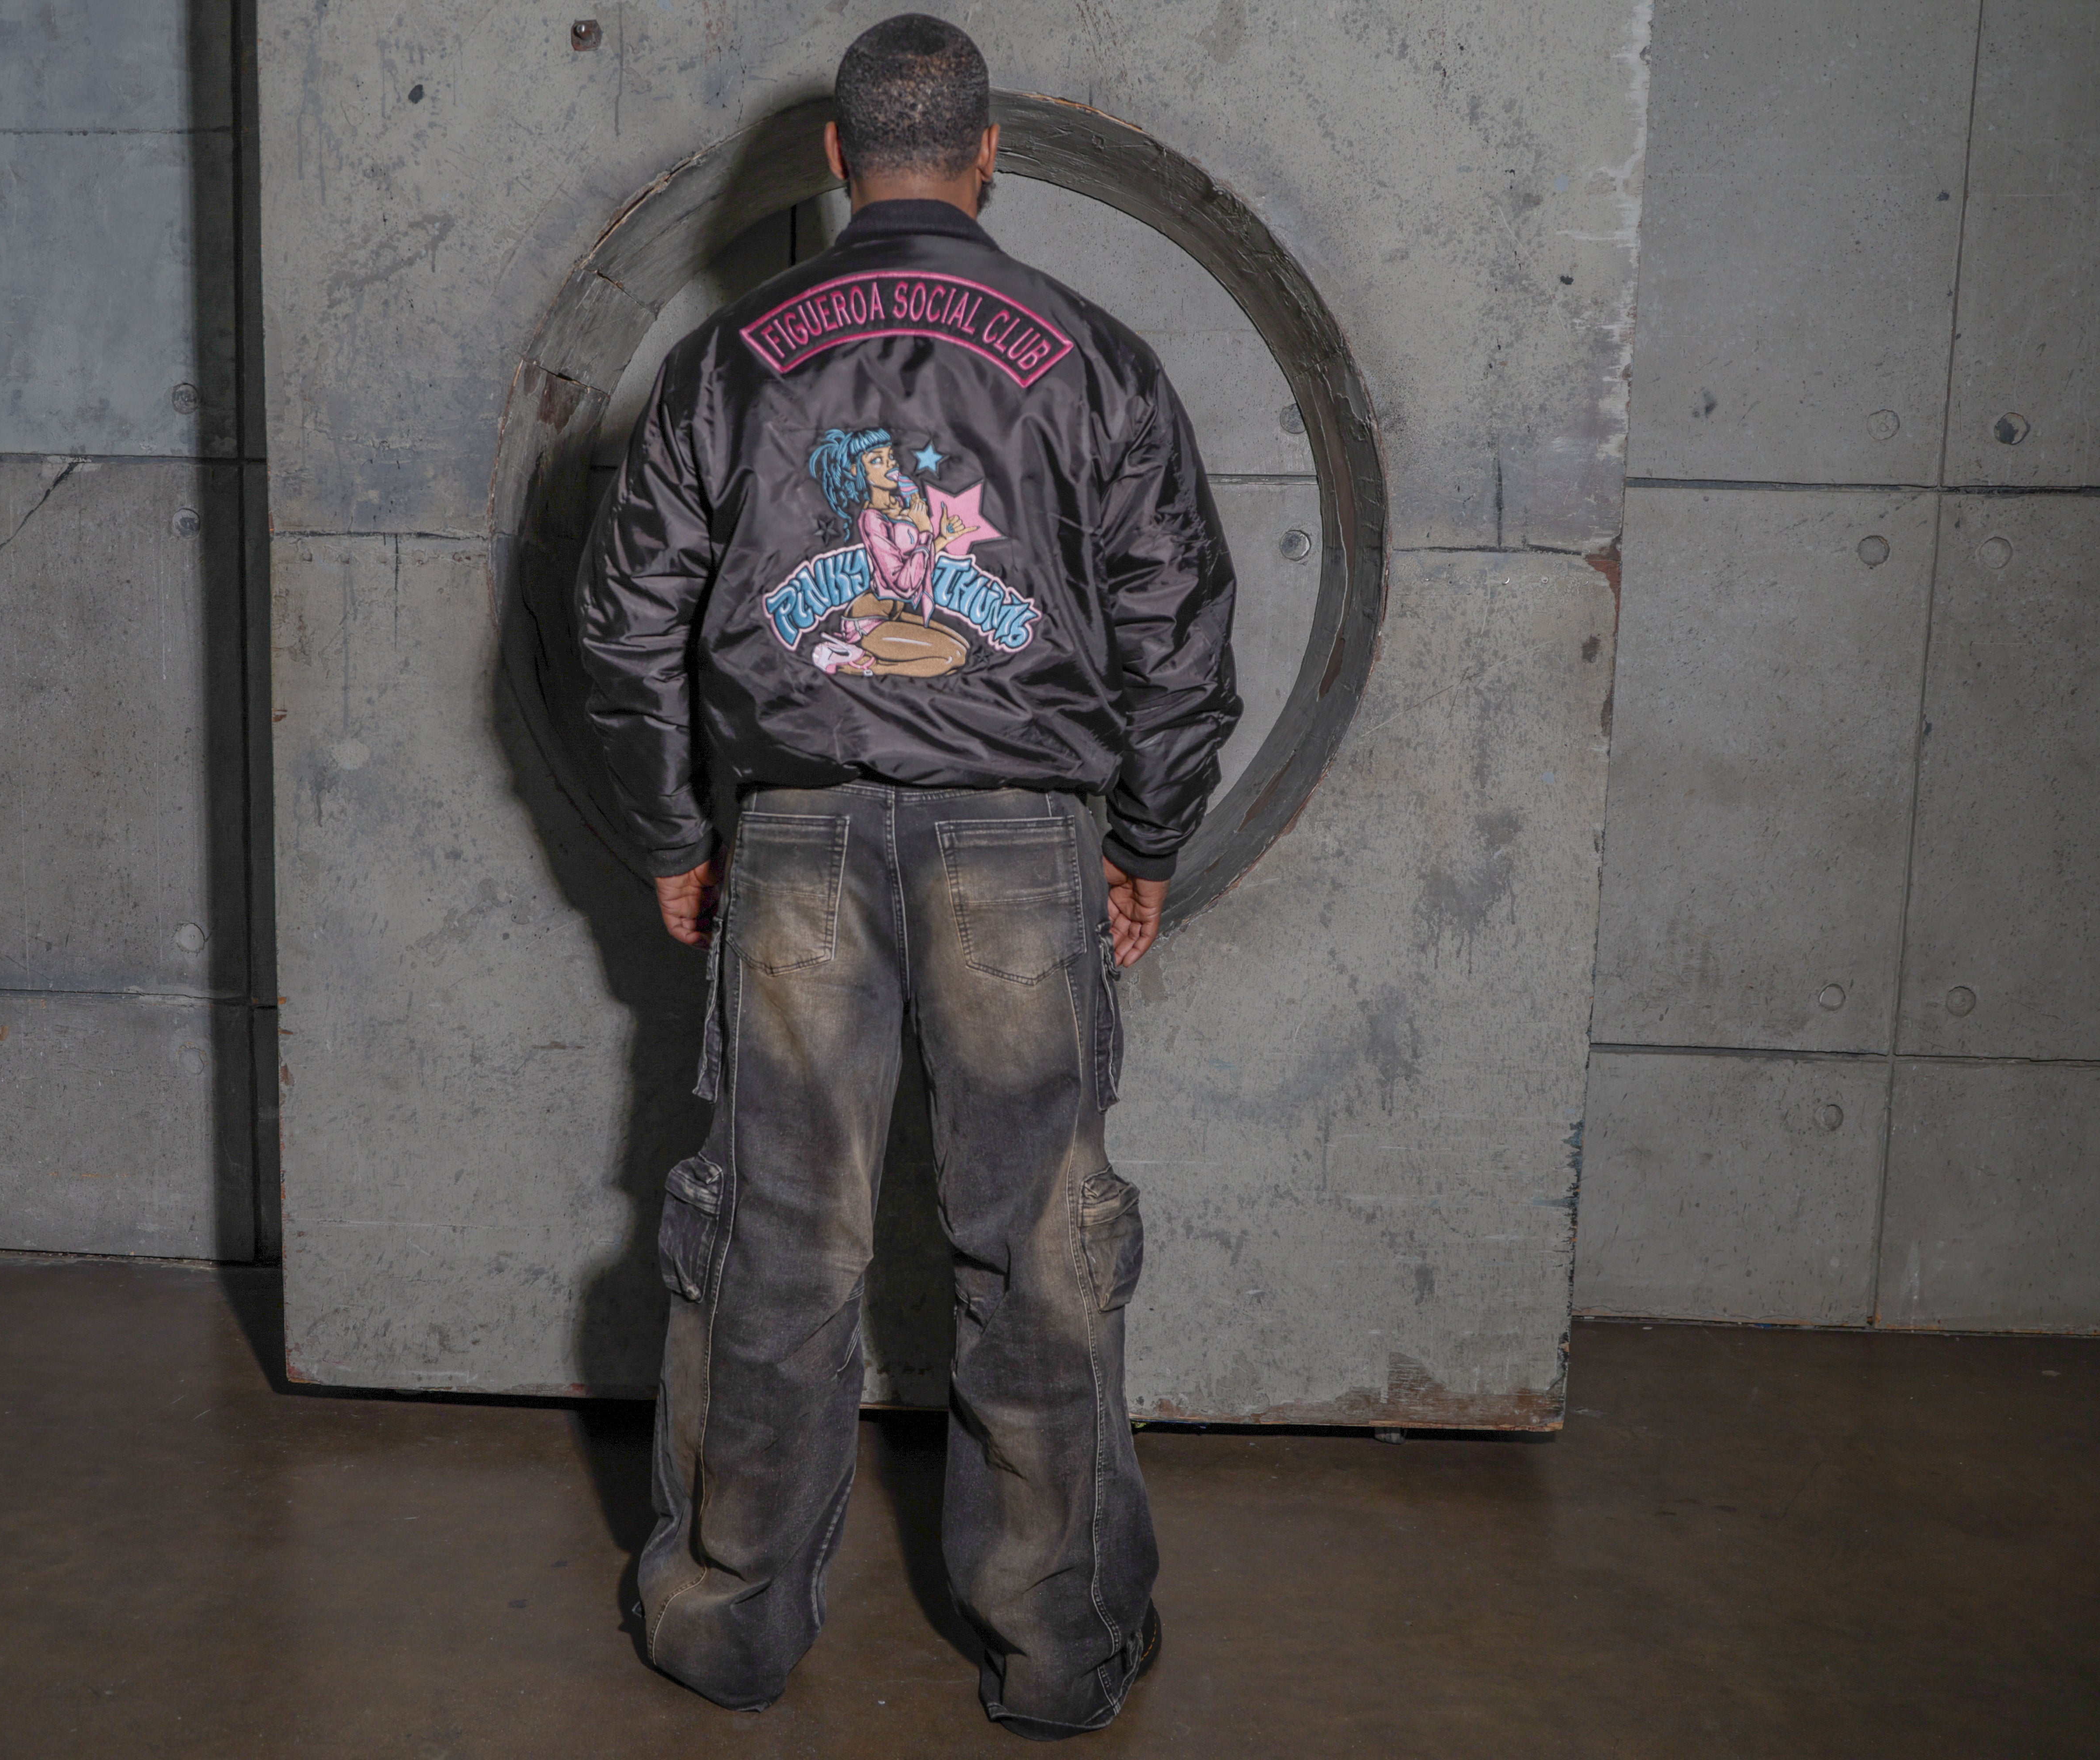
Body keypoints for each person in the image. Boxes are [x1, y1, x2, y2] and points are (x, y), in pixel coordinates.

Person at [568, 12, 1238, 1740]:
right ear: (989, 154)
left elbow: (624, 622)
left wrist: (675, 833)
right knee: (1041, 1254)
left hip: (795, 844)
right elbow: (1177, 626)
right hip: (1024, 844)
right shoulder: (1097, 357)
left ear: (837, 159)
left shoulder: (724, 363)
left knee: (775, 1247)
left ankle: (726, 1625)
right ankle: (1060, 1649)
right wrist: (1147, 839)